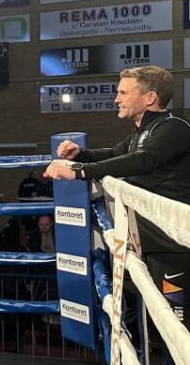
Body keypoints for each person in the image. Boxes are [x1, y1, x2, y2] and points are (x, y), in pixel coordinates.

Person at [45, 65, 190, 338]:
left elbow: (143, 160)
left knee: (177, 328)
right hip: (147, 241)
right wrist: (80, 155)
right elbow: (115, 154)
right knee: (143, 318)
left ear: (149, 97)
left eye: (124, 92)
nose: (116, 99)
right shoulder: (142, 132)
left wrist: (81, 171)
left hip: (172, 246)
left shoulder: (173, 127)